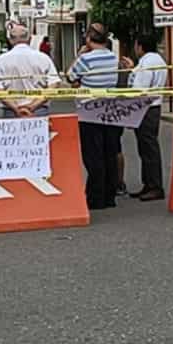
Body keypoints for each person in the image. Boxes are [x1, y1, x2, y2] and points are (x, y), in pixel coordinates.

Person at [68, 26, 123, 210]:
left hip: (89, 111)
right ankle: (110, 195)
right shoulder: (114, 58)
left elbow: (71, 76)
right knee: (109, 153)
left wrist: (80, 55)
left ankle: (95, 196)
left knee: (93, 156)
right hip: (110, 110)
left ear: (90, 39)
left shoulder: (86, 58)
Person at [0, 24, 60, 118]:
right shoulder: (43, 58)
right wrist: (32, 106)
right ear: (30, 39)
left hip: (11, 112)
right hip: (39, 111)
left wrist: (16, 108)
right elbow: (54, 85)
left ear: (10, 40)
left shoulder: (1, 60)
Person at [128, 34, 168, 201]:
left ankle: (154, 185)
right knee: (146, 148)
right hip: (154, 105)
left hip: (146, 107)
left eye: (136, 46)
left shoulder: (147, 63)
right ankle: (148, 184)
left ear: (140, 47)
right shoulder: (158, 60)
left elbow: (140, 88)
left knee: (148, 148)